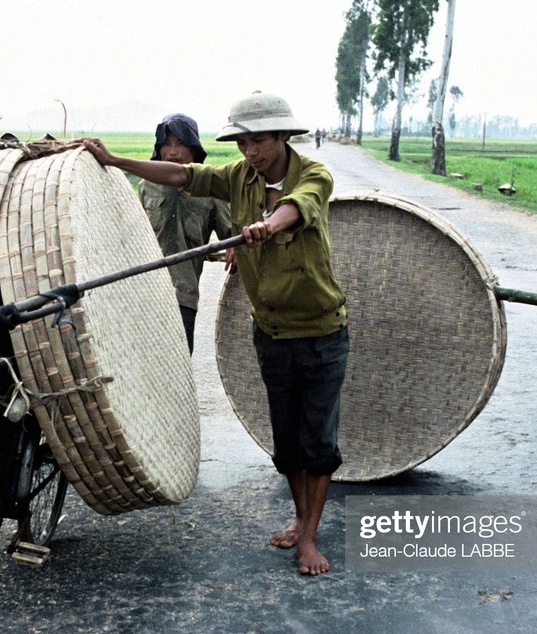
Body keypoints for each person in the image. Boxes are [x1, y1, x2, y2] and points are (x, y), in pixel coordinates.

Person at [81, 91, 347, 576]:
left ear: (284, 136)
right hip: (270, 331)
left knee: (318, 442)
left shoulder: (314, 175)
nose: (251, 151)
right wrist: (114, 160)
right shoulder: (237, 177)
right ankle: (298, 516)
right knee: (287, 441)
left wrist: (268, 225)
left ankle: (309, 536)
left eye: (259, 141)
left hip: (321, 331)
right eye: (243, 141)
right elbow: (185, 177)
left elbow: (298, 206)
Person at [139, 113, 233, 353]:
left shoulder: (212, 191)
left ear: (194, 149)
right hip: (143, 295)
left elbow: (232, 236)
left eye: (180, 144)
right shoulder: (145, 187)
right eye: (167, 144)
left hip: (183, 296)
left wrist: (235, 246)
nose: (172, 151)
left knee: (177, 366)